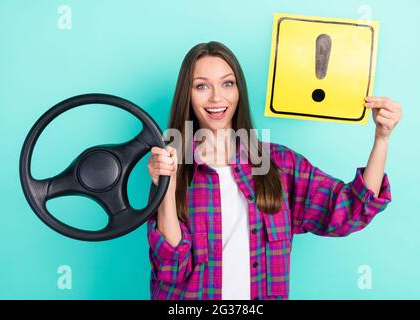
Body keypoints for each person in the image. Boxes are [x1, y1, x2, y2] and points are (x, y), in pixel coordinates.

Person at [146, 41, 402, 300]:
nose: (216, 97)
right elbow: (171, 267)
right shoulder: (173, 164)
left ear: (239, 91)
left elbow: (351, 209)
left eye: (227, 83)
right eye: (202, 86)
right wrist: (166, 184)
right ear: (186, 94)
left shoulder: (278, 163)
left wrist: (382, 138)